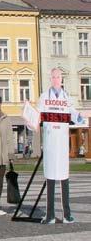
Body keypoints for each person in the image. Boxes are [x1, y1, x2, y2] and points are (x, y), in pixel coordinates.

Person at [37, 68, 90, 224]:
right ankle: (50, 215)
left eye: (58, 77)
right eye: (53, 77)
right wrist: (30, 119)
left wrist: (83, 116)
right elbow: (37, 115)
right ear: (50, 78)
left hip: (61, 142)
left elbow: (74, 115)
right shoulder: (44, 97)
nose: (55, 79)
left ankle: (67, 214)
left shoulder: (67, 98)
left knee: (64, 177)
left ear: (62, 79)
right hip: (50, 141)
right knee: (51, 178)